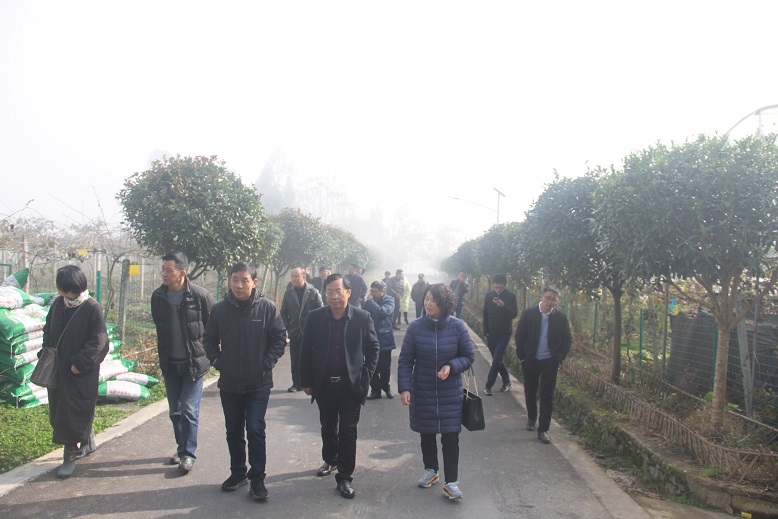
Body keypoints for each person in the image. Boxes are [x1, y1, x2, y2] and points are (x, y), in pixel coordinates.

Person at [203, 262, 287, 501]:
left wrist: (265, 364)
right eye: (234, 279)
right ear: (229, 280)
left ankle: (257, 478)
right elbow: (208, 339)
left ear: (254, 282)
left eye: (244, 280)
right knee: (233, 430)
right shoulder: (219, 310)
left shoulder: (267, 308)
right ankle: (238, 473)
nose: (238, 285)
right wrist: (219, 362)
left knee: (255, 428)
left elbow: (279, 339)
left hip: (258, 383)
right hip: (230, 383)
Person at [300, 274, 380, 499]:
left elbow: (374, 348)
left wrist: (365, 377)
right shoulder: (315, 317)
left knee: (348, 431)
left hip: (350, 386)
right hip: (324, 384)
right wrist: (306, 381)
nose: (334, 296)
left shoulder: (362, 317)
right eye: (329, 292)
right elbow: (305, 350)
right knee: (328, 426)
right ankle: (330, 459)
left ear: (348, 292)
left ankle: (345, 476)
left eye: (338, 291)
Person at [397, 283, 475, 500]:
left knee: (451, 437)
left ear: (444, 303)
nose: (428, 303)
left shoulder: (457, 327)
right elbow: (405, 360)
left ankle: (451, 483)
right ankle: (431, 470)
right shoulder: (416, 328)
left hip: (451, 392)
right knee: (427, 433)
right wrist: (404, 388)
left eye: (433, 300)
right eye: (427, 298)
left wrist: (451, 366)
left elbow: (468, 356)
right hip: (423, 389)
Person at [42, 265, 109, 478]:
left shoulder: (91, 308)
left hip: (80, 373)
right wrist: (46, 352)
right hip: (59, 370)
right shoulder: (58, 305)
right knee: (58, 412)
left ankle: (69, 456)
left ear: (68, 287)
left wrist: (79, 363)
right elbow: (47, 330)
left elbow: (99, 342)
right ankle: (87, 439)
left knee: (73, 413)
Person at [151, 251, 215, 473]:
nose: (164, 274)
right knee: (175, 411)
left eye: (169, 270)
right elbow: (159, 325)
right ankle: (181, 449)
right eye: (163, 269)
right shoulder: (158, 297)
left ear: (182, 272)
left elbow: (213, 327)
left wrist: (209, 355)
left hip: (193, 364)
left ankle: (188, 454)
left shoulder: (200, 296)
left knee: (188, 409)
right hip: (170, 363)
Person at [514, 286, 572, 444]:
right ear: (541, 297)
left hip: (550, 361)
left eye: (553, 299)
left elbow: (567, 338)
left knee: (547, 395)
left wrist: (559, 357)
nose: (550, 302)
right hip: (531, 359)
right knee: (530, 391)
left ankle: (543, 429)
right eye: (547, 298)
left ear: (556, 301)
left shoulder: (560, 317)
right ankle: (532, 418)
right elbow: (520, 335)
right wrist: (522, 356)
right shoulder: (529, 314)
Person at [280, 266, 323, 392]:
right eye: (292, 276)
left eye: (296, 276)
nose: (293, 279)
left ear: (304, 277)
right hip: (295, 332)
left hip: (310, 332)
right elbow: (283, 312)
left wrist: (316, 328)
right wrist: (287, 326)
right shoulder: (288, 293)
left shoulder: (313, 292)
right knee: (295, 360)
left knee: (311, 358)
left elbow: (321, 311)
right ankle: (296, 383)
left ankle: (312, 382)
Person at [482, 274, 518, 396]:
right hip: (491, 334)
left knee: (497, 360)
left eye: (500, 288)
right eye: (496, 287)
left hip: (504, 334)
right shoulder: (489, 295)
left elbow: (514, 314)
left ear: (505, 286)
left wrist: (504, 306)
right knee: (497, 360)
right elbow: (485, 314)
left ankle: (488, 386)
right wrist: (486, 331)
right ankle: (507, 381)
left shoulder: (511, 297)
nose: (498, 290)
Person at [362, 280, 396, 400]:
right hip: (370, 337)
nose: (372, 293)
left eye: (375, 291)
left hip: (384, 338)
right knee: (371, 366)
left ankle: (386, 387)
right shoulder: (369, 301)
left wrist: (370, 301)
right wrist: (368, 301)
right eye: (371, 291)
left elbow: (382, 312)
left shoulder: (389, 301)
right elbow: (363, 313)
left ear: (382, 291)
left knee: (385, 367)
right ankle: (375, 390)